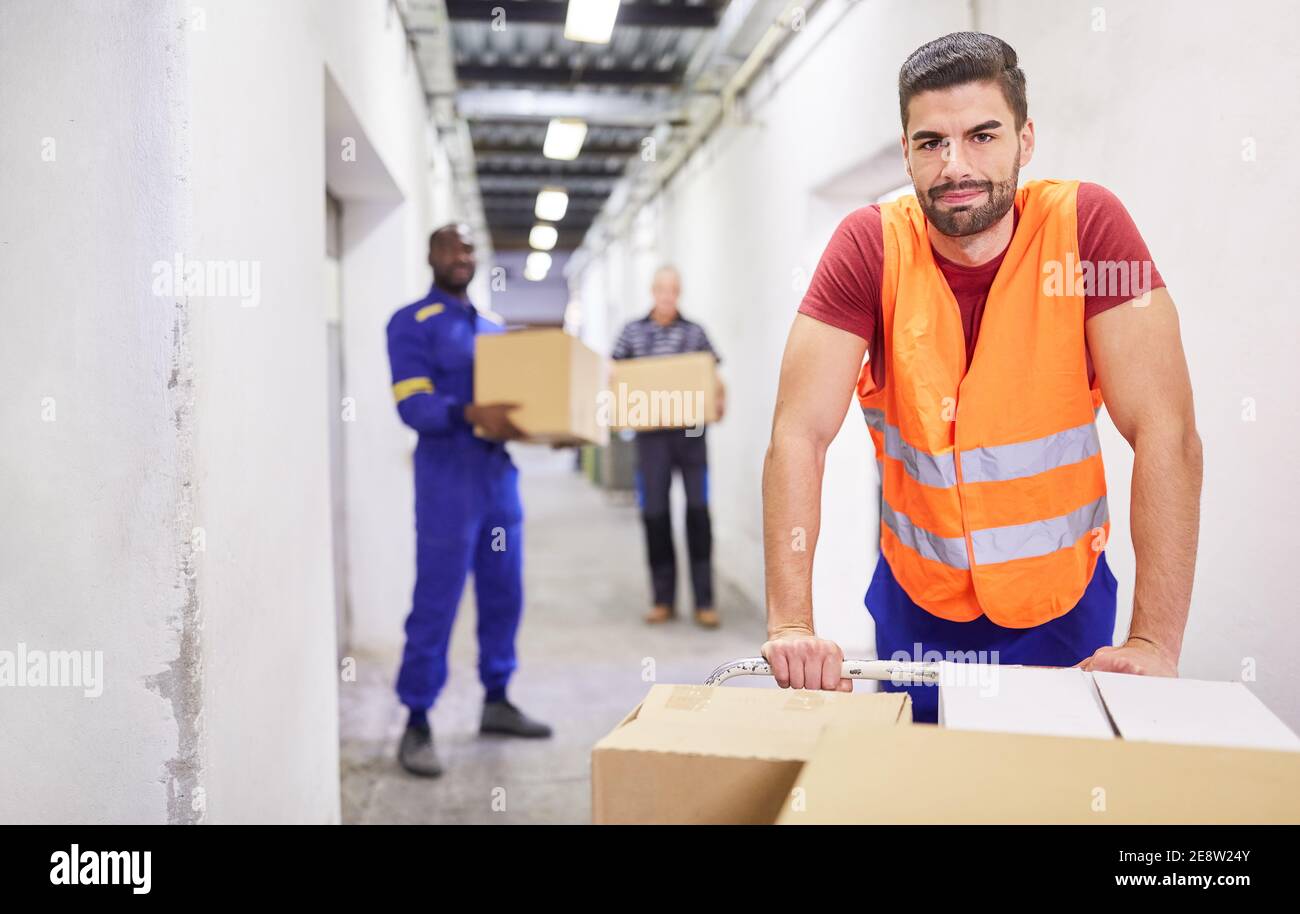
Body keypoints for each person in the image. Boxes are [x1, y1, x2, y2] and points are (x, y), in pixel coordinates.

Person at [761, 32, 1202, 722]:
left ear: (1026, 141)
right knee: (932, 794)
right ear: (906, 150)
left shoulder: (1087, 228)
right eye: (931, 141)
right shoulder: (869, 246)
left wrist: (1154, 639)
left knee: (1052, 797)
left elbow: (1166, 431)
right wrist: (791, 622)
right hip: (919, 605)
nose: (955, 165)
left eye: (983, 135)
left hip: (1062, 608)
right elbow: (798, 434)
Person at [386, 223, 552, 777]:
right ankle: (416, 720)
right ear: (431, 255)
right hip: (446, 481)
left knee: (505, 591)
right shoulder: (412, 323)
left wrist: (552, 423)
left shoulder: (494, 329)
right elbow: (413, 406)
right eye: (450, 247)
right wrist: (466, 413)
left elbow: (522, 405)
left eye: (469, 248)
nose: (461, 256)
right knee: (438, 597)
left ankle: (497, 700)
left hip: (497, 478)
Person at [612, 265, 726, 627]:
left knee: (698, 512)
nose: (667, 296)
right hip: (651, 436)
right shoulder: (632, 332)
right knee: (655, 514)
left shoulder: (695, 333)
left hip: (692, 432)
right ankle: (663, 599)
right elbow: (615, 375)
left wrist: (720, 399)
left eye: (673, 289)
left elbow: (714, 376)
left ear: (679, 292)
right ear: (652, 290)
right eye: (661, 289)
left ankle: (704, 601)